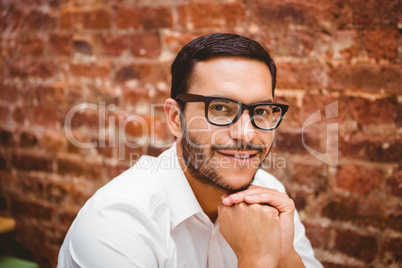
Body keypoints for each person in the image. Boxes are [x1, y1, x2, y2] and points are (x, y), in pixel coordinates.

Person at [58, 33, 323, 268]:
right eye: (220, 108)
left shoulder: (270, 195)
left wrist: (286, 256)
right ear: (175, 119)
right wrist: (258, 260)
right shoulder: (116, 224)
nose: (246, 134)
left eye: (261, 111)